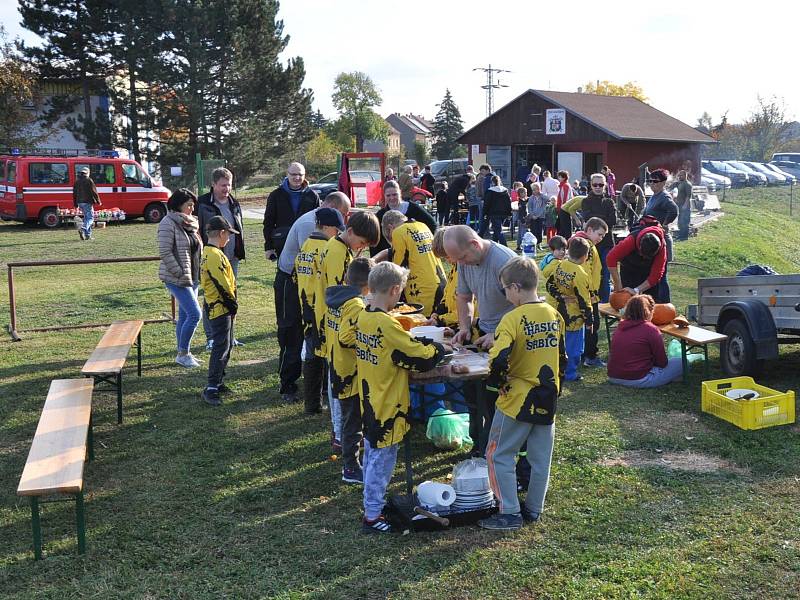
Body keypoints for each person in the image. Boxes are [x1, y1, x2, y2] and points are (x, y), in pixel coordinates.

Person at [357, 262, 449, 534]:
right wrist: (439, 349)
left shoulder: (364, 316)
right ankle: (372, 515)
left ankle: (372, 504)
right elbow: (415, 354)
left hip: (370, 396)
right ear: (395, 290)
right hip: (388, 403)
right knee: (382, 461)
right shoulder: (386, 323)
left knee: (374, 454)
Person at [478, 257, 565, 530]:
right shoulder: (554, 314)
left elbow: (499, 358)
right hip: (547, 396)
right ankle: (534, 509)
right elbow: (561, 357)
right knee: (541, 458)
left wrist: (496, 384)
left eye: (505, 289)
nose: (505, 294)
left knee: (498, 454)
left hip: (516, 399)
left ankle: (510, 512)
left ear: (515, 287)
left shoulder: (511, 319)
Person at [273, 193, 351, 405]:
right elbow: (319, 269)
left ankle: (313, 391)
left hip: (304, 284)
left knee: (310, 337)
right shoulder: (313, 230)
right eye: (342, 215)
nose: (342, 223)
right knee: (293, 333)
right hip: (291, 282)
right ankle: (288, 384)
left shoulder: (317, 224)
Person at [445, 225, 516, 453]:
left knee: (498, 400)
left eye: (463, 257)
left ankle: (499, 449)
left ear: (475, 244)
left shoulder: (505, 262)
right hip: (482, 334)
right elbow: (464, 297)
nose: (462, 263)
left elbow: (523, 307)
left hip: (508, 340)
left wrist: (498, 335)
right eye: (458, 260)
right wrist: (465, 326)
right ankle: (479, 445)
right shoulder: (465, 261)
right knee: (476, 397)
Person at [321, 211, 382, 449]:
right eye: (363, 243)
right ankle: (339, 435)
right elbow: (341, 292)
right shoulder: (337, 252)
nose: (362, 248)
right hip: (336, 328)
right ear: (350, 232)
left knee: (340, 388)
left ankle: (340, 432)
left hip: (335, 323)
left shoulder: (341, 249)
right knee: (340, 390)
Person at [325, 257, 374, 484]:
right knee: (352, 420)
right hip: (349, 371)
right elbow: (346, 337)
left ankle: (350, 459)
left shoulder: (336, 299)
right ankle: (351, 467)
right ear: (369, 285)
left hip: (336, 364)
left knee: (348, 417)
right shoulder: (355, 304)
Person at [295, 208, 347, 413]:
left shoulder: (306, 244)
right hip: (321, 308)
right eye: (336, 229)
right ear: (325, 227)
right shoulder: (327, 247)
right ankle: (322, 400)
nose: (338, 233)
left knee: (311, 352)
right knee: (324, 353)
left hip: (305, 305)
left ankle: (312, 402)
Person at [197, 167, 247, 349]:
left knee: (231, 294)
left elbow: (238, 228)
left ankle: (230, 335)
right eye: (223, 185)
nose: (226, 189)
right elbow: (198, 229)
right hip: (212, 257)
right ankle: (211, 337)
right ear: (213, 184)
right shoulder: (202, 203)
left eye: (229, 185)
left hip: (232, 257)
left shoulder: (234, 203)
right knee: (211, 296)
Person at [158, 188, 203, 368]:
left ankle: (183, 352)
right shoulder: (167, 223)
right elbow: (165, 252)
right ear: (178, 206)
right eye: (189, 205)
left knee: (185, 315)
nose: (192, 209)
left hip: (193, 276)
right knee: (194, 314)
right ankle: (183, 353)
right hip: (178, 277)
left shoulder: (190, 223)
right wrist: (178, 272)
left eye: (193, 205)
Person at [200, 216, 239, 407]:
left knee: (226, 345)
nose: (230, 239)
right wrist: (232, 304)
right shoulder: (214, 255)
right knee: (220, 347)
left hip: (221, 307)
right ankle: (211, 387)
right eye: (229, 235)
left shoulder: (212, 252)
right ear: (222, 233)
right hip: (220, 308)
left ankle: (219, 381)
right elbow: (221, 283)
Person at [607, 294, 683, 387]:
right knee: (682, 362)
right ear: (649, 311)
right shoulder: (650, 329)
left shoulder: (620, 326)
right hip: (638, 379)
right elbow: (662, 363)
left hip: (613, 376)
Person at [381, 210, 446, 317]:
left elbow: (397, 271)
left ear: (390, 228)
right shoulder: (422, 226)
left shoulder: (398, 232)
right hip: (441, 283)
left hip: (422, 292)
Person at [546, 237, 593, 382]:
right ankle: (570, 373)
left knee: (560, 342)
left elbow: (549, 285)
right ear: (585, 256)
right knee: (575, 346)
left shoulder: (561, 265)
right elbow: (584, 301)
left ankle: (558, 367)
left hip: (559, 312)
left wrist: (560, 297)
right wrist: (589, 321)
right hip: (574, 317)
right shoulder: (580, 274)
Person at [573, 172, 618, 303]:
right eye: (595, 184)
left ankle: (604, 301)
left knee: (605, 272)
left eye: (601, 184)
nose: (598, 187)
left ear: (605, 186)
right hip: (590, 244)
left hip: (607, 243)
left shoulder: (609, 201)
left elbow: (613, 220)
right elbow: (588, 218)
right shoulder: (586, 201)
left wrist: (597, 218)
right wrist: (603, 218)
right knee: (588, 272)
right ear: (591, 186)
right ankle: (590, 299)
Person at [570, 217, 608, 368]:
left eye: (603, 236)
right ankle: (590, 356)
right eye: (600, 234)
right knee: (592, 324)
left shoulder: (580, 242)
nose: (601, 238)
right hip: (587, 294)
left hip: (583, 293)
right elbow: (584, 271)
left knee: (580, 324)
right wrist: (590, 293)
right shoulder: (586, 247)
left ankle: (580, 354)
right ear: (590, 230)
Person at [263, 162, 320, 260]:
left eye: (300, 174)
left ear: (304, 175)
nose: (297, 177)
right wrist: (269, 247)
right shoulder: (275, 195)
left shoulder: (313, 196)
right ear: (287, 174)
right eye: (294, 174)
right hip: (283, 245)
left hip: (307, 246)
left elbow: (318, 222)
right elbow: (268, 222)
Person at [606, 215, 670, 303]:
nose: (643, 258)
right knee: (626, 301)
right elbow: (611, 258)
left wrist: (637, 290)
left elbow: (655, 275)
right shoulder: (631, 240)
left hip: (647, 273)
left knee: (648, 302)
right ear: (639, 246)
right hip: (629, 269)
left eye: (647, 257)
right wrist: (618, 284)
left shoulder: (662, 249)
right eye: (642, 254)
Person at [372, 180, 436, 256]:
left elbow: (432, 225)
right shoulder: (380, 215)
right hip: (390, 257)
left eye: (394, 194)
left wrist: (426, 244)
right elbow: (375, 239)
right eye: (388, 195)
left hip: (413, 254)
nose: (392, 198)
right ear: (384, 196)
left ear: (400, 193)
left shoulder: (413, 208)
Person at [643, 168, 678, 300]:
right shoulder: (654, 196)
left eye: (655, 181)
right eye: (650, 181)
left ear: (663, 183)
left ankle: (665, 306)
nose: (652, 184)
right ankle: (656, 304)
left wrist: (663, 225)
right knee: (655, 276)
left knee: (661, 277)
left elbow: (674, 210)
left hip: (661, 241)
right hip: (652, 241)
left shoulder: (664, 196)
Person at [480, 175, 512, 245]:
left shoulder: (490, 191)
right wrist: (509, 213)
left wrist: (484, 213)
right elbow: (508, 203)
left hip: (494, 213)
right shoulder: (505, 191)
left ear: (492, 182)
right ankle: (495, 244)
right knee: (496, 230)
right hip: (504, 214)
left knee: (498, 231)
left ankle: (504, 246)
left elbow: (487, 204)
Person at [73, 166, 101, 240]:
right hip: (87, 202)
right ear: (87, 173)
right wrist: (98, 201)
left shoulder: (77, 181)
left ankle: (88, 235)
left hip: (79, 202)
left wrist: (75, 204)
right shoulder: (89, 180)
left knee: (86, 218)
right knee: (90, 218)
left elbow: (74, 193)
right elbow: (94, 191)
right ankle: (83, 228)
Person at [671, 169, 693, 241]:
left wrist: (685, 205)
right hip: (679, 205)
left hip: (685, 206)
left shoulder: (687, 184)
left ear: (685, 176)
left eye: (681, 175)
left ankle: (684, 237)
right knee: (680, 221)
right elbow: (672, 187)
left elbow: (688, 196)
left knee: (684, 221)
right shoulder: (680, 183)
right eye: (679, 175)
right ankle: (680, 235)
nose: (679, 176)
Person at [526, 183, 548, 248]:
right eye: (533, 190)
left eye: (535, 190)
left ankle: (539, 244)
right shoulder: (531, 198)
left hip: (541, 216)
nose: (534, 191)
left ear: (539, 189)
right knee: (534, 230)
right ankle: (534, 244)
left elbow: (548, 199)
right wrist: (532, 215)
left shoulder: (542, 197)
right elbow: (529, 207)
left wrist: (541, 194)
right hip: (533, 217)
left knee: (540, 230)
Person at [555, 170, 574, 239]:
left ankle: (566, 240)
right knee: (560, 226)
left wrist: (562, 208)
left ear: (563, 177)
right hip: (563, 208)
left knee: (565, 226)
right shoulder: (563, 185)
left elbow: (565, 198)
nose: (558, 178)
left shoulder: (565, 186)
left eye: (559, 177)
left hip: (564, 209)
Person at [515, 186, 529, 252]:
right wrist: (523, 221)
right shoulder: (520, 202)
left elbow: (527, 200)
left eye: (526, 192)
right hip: (522, 219)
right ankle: (523, 246)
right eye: (525, 192)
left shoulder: (524, 200)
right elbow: (520, 213)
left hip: (523, 219)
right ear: (520, 193)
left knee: (520, 233)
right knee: (522, 233)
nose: (526, 193)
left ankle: (518, 246)